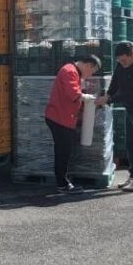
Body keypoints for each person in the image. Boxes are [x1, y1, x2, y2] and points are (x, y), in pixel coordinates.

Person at [96, 41, 133, 192]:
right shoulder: (121, 66)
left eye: (124, 60)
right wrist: (108, 94)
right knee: (130, 144)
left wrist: (109, 99)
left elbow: (130, 92)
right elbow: (115, 82)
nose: (122, 63)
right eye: (119, 61)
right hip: (131, 109)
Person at [44, 55, 103, 194]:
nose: (90, 75)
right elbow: (73, 93)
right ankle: (62, 184)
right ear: (88, 65)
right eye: (92, 71)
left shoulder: (72, 71)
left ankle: (63, 181)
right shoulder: (70, 71)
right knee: (63, 151)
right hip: (59, 118)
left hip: (62, 117)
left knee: (64, 150)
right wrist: (87, 97)